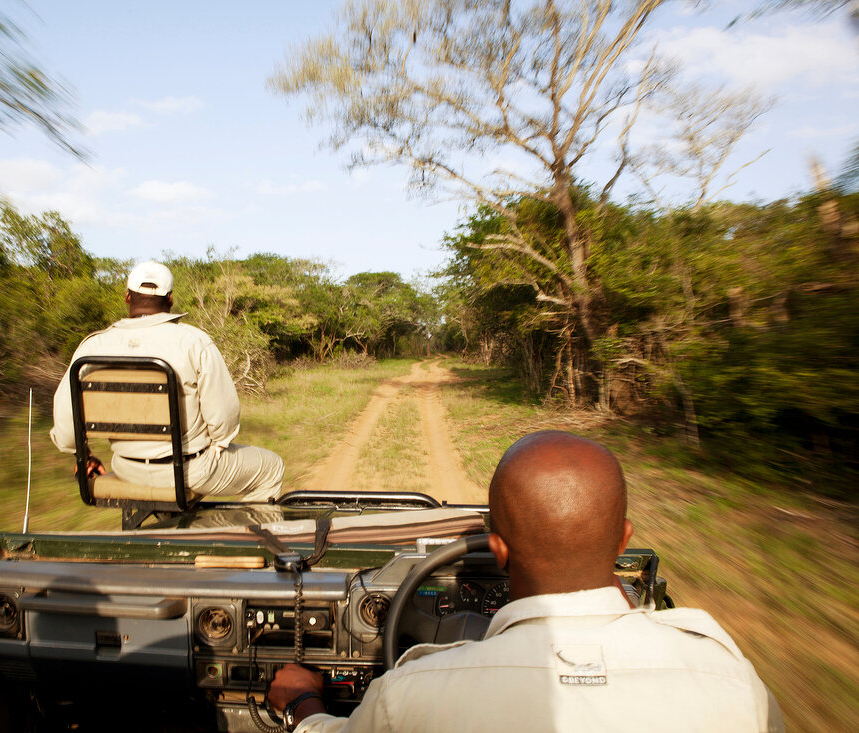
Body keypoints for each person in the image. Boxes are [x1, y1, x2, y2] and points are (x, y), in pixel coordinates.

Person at [268, 431, 783, 732]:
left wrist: (301, 703)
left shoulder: (411, 696)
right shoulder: (738, 687)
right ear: (623, 539)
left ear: (498, 550)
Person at [50, 260, 284, 502]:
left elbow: (67, 427)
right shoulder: (194, 342)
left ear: (127, 297)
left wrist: (84, 456)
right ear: (170, 298)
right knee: (272, 468)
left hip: (126, 468)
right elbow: (224, 420)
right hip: (190, 470)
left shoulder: (93, 347)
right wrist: (214, 449)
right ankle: (246, 537)